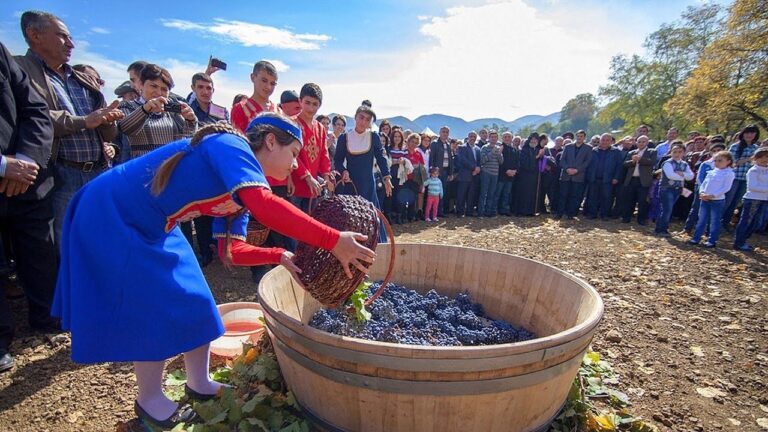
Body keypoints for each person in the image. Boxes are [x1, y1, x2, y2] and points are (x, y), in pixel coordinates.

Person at [53, 115, 376, 428]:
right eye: (293, 154)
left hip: (157, 224)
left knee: (196, 297)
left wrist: (279, 255)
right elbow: (266, 206)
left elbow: (231, 251)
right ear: (271, 141)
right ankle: (150, 400)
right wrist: (332, 239)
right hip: (115, 211)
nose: (295, 165)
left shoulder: (244, 189)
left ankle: (199, 382)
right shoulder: (231, 145)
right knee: (150, 306)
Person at [15, 11, 123, 247]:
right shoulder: (19, 71)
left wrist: (108, 120)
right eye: (62, 36)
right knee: (68, 245)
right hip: (60, 176)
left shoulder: (82, 79)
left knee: (104, 237)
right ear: (34, 35)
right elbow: (33, 117)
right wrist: (85, 120)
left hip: (98, 172)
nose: (71, 43)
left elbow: (107, 130)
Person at [0, 41, 57, 373]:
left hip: (28, 178)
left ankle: (47, 316)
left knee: (40, 250)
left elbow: (36, 111)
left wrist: (24, 159)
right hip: (10, 171)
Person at [182, 72, 229, 267]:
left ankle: (212, 247)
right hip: (194, 168)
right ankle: (202, 254)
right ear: (193, 88)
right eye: (200, 87)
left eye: (209, 88)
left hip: (214, 168)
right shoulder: (187, 111)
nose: (205, 91)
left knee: (213, 210)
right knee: (196, 213)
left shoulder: (219, 111)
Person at [334, 104, 394, 240]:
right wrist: (343, 171)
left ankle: (376, 246)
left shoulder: (373, 137)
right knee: (351, 217)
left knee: (371, 216)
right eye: (361, 117)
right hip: (350, 185)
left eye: (367, 119)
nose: (363, 121)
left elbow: (381, 157)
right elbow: (337, 160)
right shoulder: (344, 138)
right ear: (355, 117)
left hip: (368, 185)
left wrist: (386, 177)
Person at [118, 64, 197, 159]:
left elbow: (189, 137)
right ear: (141, 85)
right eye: (153, 86)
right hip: (144, 167)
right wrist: (145, 109)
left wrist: (191, 120)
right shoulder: (128, 106)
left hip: (171, 167)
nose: (159, 93)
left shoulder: (173, 109)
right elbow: (126, 128)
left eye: (164, 89)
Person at [290, 83, 332, 212]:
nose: (310, 108)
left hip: (314, 186)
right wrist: (307, 177)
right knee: (293, 225)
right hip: (294, 183)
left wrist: (326, 176)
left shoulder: (320, 128)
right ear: (300, 101)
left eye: (315, 104)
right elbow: (291, 155)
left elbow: (324, 154)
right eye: (307, 102)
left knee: (311, 221)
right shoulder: (291, 123)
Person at [688, 151, 735, 248]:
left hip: (717, 201)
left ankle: (712, 240)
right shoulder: (712, 172)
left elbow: (726, 188)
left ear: (728, 161)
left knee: (714, 220)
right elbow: (704, 183)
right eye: (716, 160)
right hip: (705, 199)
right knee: (701, 219)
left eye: (720, 160)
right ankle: (696, 238)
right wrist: (702, 192)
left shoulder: (729, 173)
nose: (717, 163)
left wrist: (713, 195)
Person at [683, 138, 726, 233]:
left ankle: (709, 231)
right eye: (714, 151)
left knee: (713, 213)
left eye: (719, 151)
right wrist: (703, 191)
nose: (716, 153)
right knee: (696, 209)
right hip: (701, 190)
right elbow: (699, 178)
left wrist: (714, 193)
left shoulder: (726, 167)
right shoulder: (705, 163)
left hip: (716, 193)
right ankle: (688, 228)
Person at [722, 125, 760, 230]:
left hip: (746, 180)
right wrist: (748, 159)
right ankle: (715, 223)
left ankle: (726, 223)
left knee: (735, 203)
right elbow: (732, 163)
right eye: (747, 132)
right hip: (733, 178)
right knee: (727, 201)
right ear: (743, 134)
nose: (749, 135)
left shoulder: (756, 148)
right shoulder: (735, 146)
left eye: (752, 133)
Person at [654, 142, 693, 237]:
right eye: (674, 152)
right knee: (667, 209)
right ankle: (661, 229)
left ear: (683, 153)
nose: (677, 154)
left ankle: (662, 227)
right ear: (671, 152)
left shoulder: (684, 164)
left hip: (678, 189)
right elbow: (670, 175)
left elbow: (691, 176)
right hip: (666, 188)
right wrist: (683, 176)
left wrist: (682, 174)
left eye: (680, 152)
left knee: (668, 209)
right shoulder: (667, 163)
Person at [733, 148, 768, 251]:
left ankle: (743, 240)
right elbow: (753, 186)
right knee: (747, 221)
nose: (764, 159)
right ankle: (739, 242)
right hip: (753, 199)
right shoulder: (753, 170)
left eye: (766, 157)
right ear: (756, 158)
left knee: (756, 222)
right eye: (761, 157)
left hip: (764, 199)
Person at [230, 61, 278, 133]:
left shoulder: (278, 111)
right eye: (264, 81)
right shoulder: (240, 109)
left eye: (272, 83)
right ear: (253, 77)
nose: (268, 87)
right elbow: (238, 141)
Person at [585, 133, 623, 220]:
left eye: (607, 140)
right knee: (592, 197)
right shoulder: (593, 150)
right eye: (603, 140)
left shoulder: (616, 152)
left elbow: (619, 166)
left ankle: (605, 214)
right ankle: (592, 214)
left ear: (611, 141)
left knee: (607, 198)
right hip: (594, 178)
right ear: (600, 141)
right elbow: (588, 164)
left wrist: (616, 177)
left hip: (608, 179)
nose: (605, 142)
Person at [555, 130, 592, 219]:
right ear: (576, 137)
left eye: (581, 136)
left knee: (574, 196)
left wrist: (577, 170)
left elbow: (587, 162)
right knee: (563, 195)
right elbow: (562, 160)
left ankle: (570, 214)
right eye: (578, 136)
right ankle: (559, 213)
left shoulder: (588, 148)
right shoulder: (568, 146)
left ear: (584, 138)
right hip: (566, 175)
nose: (579, 138)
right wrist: (567, 168)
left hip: (578, 176)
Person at [621, 135, 655, 225]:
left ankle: (641, 219)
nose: (641, 143)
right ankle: (626, 217)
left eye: (643, 142)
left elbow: (652, 162)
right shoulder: (632, 152)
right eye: (639, 142)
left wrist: (640, 159)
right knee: (629, 200)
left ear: (647, 143)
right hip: (631, 180)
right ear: (636, 143)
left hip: (643, 181)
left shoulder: (652, 152)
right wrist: (632, 161)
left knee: (642, 201)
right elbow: (625, 164)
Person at [515, 133, 542, 217]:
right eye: (532, 139)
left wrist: (542, 158)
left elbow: (542, 165)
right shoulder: (525, 149)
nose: (534, 141)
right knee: (524, 193)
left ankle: (532, 211)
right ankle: (522, 211)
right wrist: (536, 157)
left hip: (535, 176)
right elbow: (524, 163)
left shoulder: (539, 149)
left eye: (536, 140)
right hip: (525, 175)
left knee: (533, 193)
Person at [429, 126, 454, 217]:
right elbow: (431, 158)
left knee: (442, 192)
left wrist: (451, 173)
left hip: (445, 172)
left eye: (447, 132)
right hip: (436, 173)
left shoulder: (448, 145)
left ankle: (440, 211)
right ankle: (432, 212)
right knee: (433, 192)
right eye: (443, 132)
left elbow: (451, 160)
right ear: (439, 133)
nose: (445, 133)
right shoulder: (434, 144)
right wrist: (432, 171)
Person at [455, 131, 481, 217]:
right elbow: (463, 160)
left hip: (474, 175)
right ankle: (460, 212)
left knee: (471, 194)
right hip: (464, 174)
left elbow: (479, 161)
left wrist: (478, 169)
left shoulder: (478, 149)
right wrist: (474, 168)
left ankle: (469, 212)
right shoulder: (462, 147)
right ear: (468, 137)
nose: (472, 138)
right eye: (471, 136)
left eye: (474, 136)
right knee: (461, 194)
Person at [478, 130, 503, 217]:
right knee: (483, 193)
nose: (494, 139)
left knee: (491, 193)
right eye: (492, 137)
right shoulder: (484, 148)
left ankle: (488, 212)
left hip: (495, 173)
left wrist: (499, 154)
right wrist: (492, 152)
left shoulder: (498, 147)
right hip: (486, 172)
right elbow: (482, 160)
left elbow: (501, 162)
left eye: (495, 137)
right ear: (489, 138)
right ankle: (480, 212)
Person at [496, 131, 519, 216]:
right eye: (505, 137)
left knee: (507, 193)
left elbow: (517, 162)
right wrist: (506, 170)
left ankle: (504, 209)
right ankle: (495, 209)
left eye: (509, 137)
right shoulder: (500, 148)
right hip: (501, 175)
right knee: (498, 193)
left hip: (511, 176)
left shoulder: (514, 149)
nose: (507, 138)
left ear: (511, 138)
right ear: (502, 138)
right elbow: (498, 162)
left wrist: (515, 171)